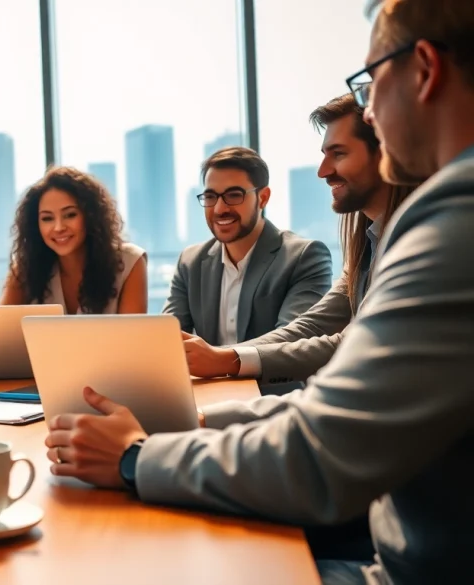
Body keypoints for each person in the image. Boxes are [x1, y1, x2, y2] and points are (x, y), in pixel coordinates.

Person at [45, 0, 474, 582]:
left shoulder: (454, 219)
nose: (369, 110)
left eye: (370, 81)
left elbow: (322, 447)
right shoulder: (414, 225)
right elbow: (332, 402)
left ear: (423, 68)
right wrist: (191, 425)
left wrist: (134, 457)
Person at [183, 95, 416, 386]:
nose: (323, 171)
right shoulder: (367, 243)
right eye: (210, 197)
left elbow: (347, 343)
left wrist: (228, 359)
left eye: (339, 153)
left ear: (385, 153)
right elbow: (310, 326)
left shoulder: (413, 243)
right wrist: (223, 356)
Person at [163, 147, 332, 346]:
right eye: (210, 197)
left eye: (234, 195)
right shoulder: (190, 262)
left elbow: (291, 342)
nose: (219, 209)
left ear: (263, 198)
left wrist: (217, 358)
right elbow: (169, 339)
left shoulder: (303, 257)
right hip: (207, 378)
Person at [0, 166, 147, 315]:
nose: (58, 227)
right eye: (47, 218)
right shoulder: (25, 270)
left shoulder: (130, 262)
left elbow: (132, 337)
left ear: (90, 216)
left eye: (70, 215)